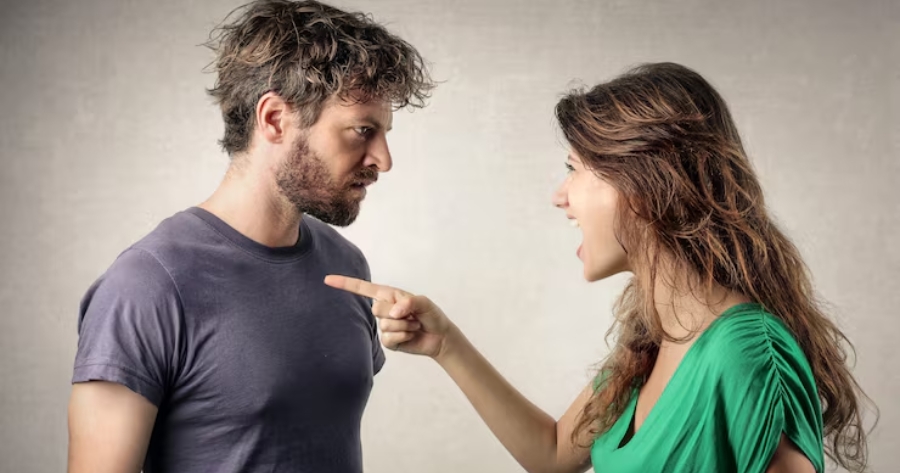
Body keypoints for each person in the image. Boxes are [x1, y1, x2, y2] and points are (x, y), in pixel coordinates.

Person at [325, 63, 873, 473]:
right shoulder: (653, 339)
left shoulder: (747, 352)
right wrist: (445, 343)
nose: (560, 196)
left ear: (646, 185)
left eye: (576, 168)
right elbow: (553, 454)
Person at [67, 1, 433, 472]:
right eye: (363, 131)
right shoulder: (147, 285)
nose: (383, 159)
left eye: (383, 133)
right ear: (275, 119)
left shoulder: (346, 265)